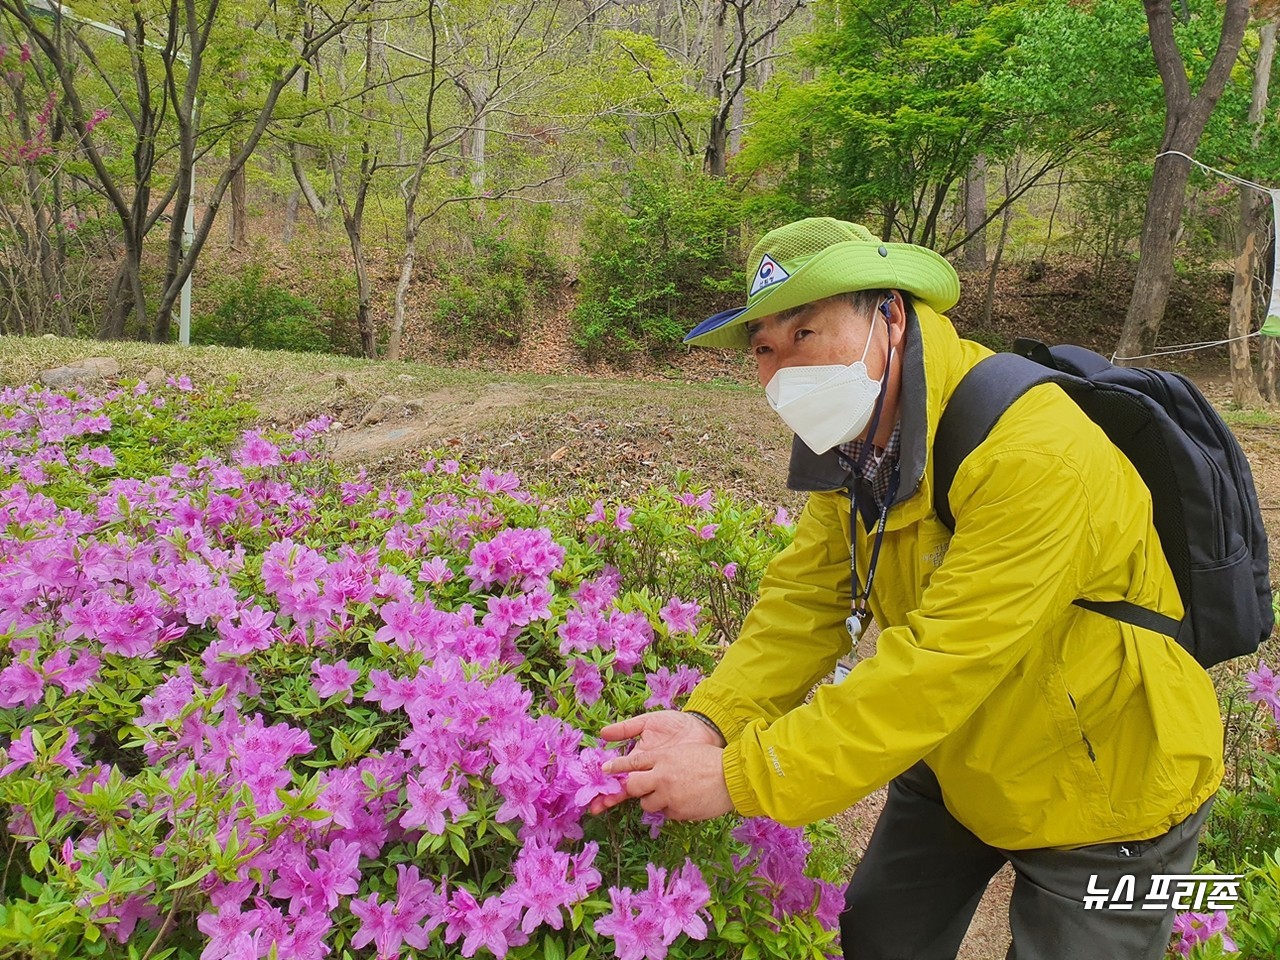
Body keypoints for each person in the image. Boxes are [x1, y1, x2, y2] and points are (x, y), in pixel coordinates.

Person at [589, 218, 1224, 960]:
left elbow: (943, 662)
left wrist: (740, 775)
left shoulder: (1036, 450)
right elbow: (806, 600)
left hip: (1108, 782)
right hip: (957, 755)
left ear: (889, 316)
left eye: (806, 334)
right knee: (878, 938)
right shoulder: (857, 442)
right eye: (764, 348)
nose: (784, 370)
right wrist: (712, 721)